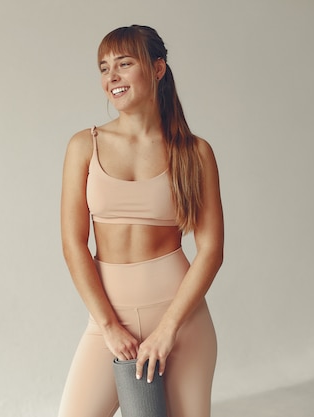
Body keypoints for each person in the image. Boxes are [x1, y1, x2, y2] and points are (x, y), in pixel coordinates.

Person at [58, 25, 224, 417]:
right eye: (104, 68)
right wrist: (109, 326)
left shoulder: (194, 152)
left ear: (158, 68)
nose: (111, 77)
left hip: (182, 321)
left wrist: (167, 330)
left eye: (124, 64)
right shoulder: (85, 145)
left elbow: (212, 250)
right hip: (109, 319)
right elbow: (73, 244)